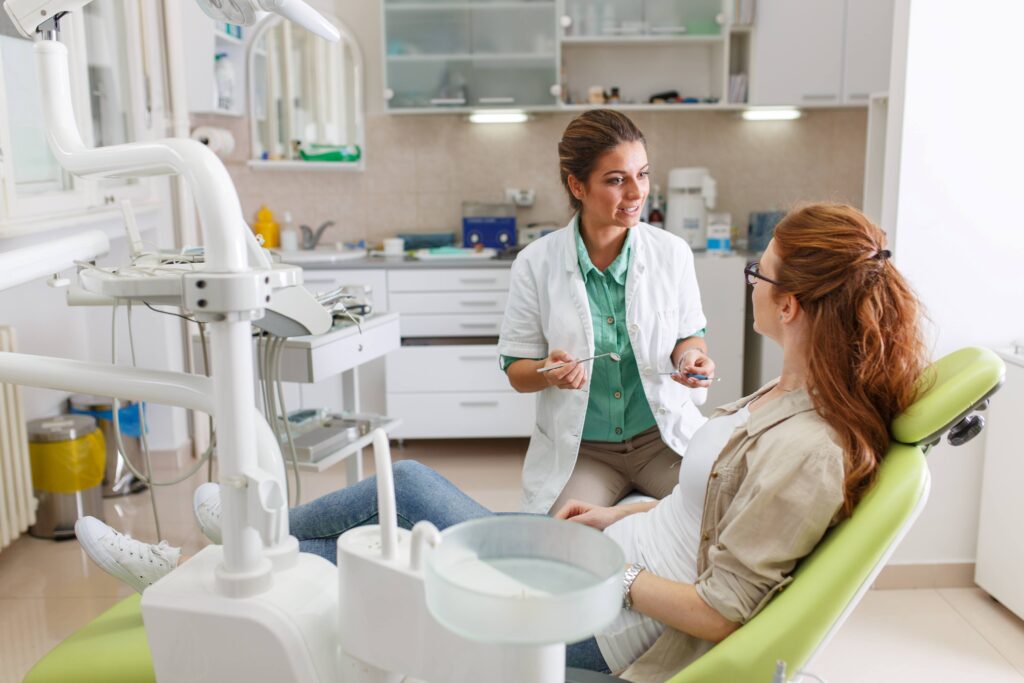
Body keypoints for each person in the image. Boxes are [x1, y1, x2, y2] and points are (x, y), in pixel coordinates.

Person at [76, 203, 927, 681]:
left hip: (599, 620)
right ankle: (237, 541)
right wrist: (627, 511)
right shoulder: (789, 389)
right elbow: (706, 509)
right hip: (605, 560)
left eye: (760, 272)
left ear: (794, 305)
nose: (751, 282)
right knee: (406, 486)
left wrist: (619, 570)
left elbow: (721, 609)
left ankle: (205, 572)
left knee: (390, 565)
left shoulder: (812, 446)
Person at [499, 109, 715, 515]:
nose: (636, 192)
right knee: (563, 544)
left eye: (643, 174)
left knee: (717, 516)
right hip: (586, 452)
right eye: (616, 180)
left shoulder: (672, 253)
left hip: (661, 442)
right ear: (577, 186)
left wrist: (689, 356)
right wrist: (548, 370)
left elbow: (690, 334)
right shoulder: (535, 264)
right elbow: (517, 371)